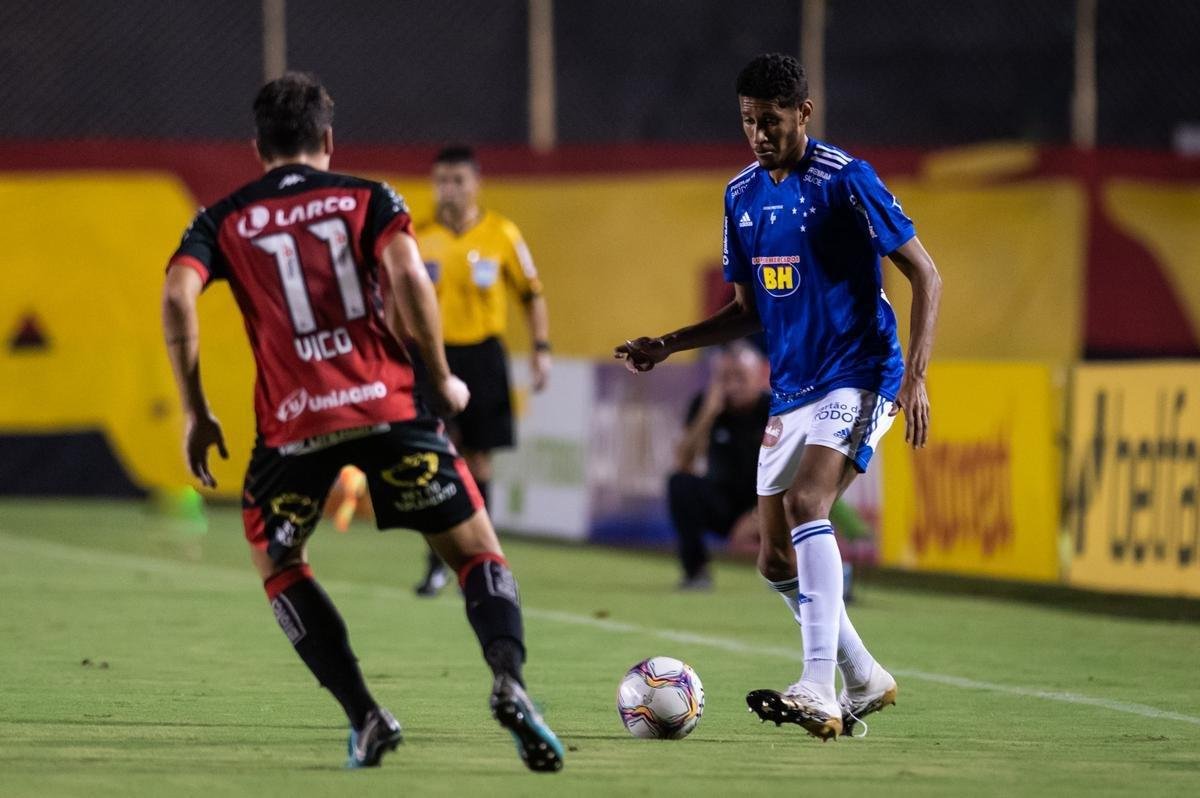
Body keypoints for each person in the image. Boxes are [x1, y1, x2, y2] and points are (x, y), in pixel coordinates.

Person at [161, 73, 563, 772]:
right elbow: (407, 272)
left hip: (292, 429)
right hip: (389, 408)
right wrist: (438, 378)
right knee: (474, 553)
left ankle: (366, 715)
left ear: (257, 147)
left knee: (279, 562)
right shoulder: (367, 197)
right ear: (328, 139)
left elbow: (176, 292)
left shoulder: (221, 218)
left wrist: (196, 412)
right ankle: (510, 680)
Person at [615, 53, 941, 741]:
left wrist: (916, 375)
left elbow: (926, 275)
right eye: (747, 121)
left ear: (803, 114)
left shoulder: (845, 180)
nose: (759, 133)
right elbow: (746, 309)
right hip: (792, 386)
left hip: (861, 371)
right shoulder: (740, 195)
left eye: (771, 120)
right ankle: (864, 677)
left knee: (806, 505)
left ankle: (817, 686)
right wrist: (668, 343)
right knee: (772, 560)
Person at [410, 145, 551, 597]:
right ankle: (437, 564)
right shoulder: (418, 235)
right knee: (437, 459)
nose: (448, 189)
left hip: (485, 357)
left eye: (457, 180)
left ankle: (483, 564)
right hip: (435, 357)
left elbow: (531, 295)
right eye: (442, 181)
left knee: (480, 462)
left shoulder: (501, 234)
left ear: (475, 183)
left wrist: (541, 349)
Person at [668, 341, 770, 590]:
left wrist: (759, 514)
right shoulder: (706, 404)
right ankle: (697, 572)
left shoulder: (775, 409)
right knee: (679, 483)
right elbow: (684, 461)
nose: (732, 385)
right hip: (723, 500)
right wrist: (708, 413)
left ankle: (798, 574)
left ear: (758, 378)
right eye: (725, 377)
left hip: (767, 502)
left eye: (740, 377)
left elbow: (796, 470)